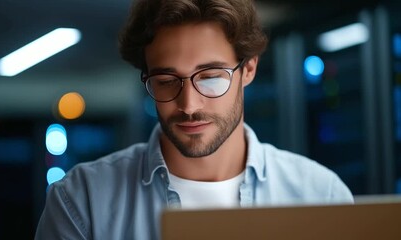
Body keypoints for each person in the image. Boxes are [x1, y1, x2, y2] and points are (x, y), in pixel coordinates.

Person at [35, 0, 354, 239]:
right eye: (166, 80)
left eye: (211, 77)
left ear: (249, 69)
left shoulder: (321, 194)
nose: (188, 104)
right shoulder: (81, 200)